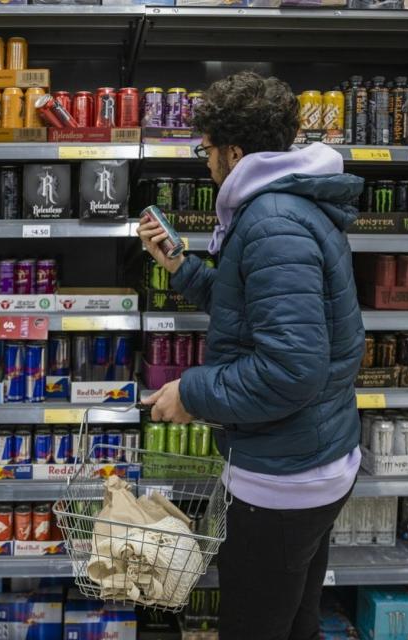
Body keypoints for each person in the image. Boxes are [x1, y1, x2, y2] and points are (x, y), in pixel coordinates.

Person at [138, 71, 365, 640]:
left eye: (207, 150)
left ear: (234, 152)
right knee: (296, 622)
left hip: (286, 481)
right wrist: (181, 268)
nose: (206, 163)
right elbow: (255, 309)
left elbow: (290, 370)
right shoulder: (285, 206)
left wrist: (191, 393)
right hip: (309, 460)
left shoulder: (271, 222)